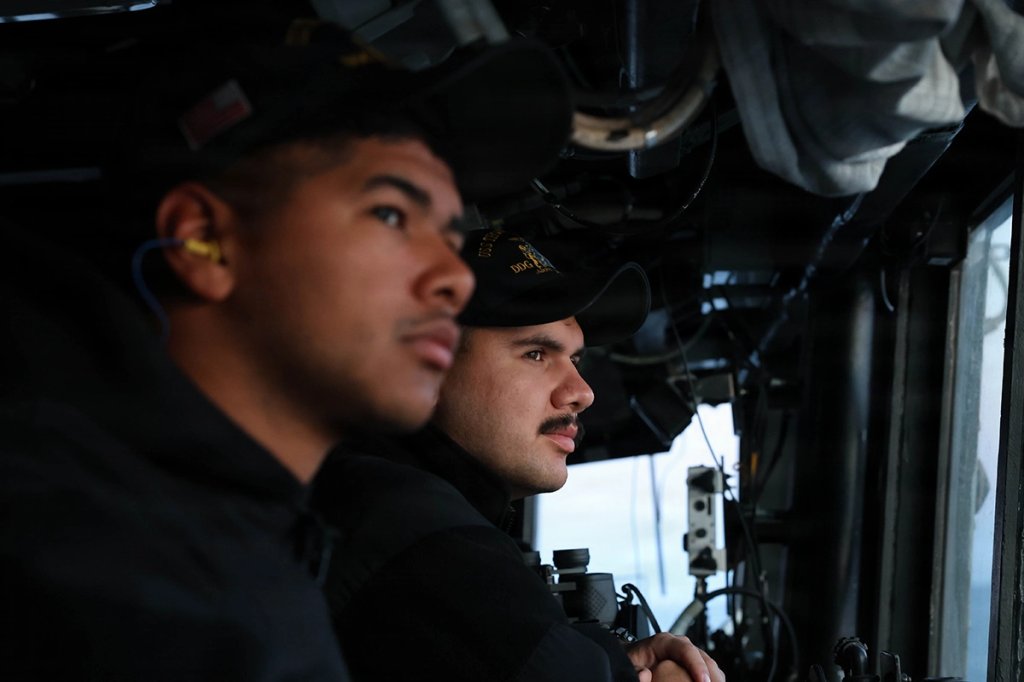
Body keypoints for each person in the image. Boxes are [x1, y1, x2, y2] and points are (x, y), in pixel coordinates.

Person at [0, 3, 572, 679]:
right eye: (391, 214)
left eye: (449, 236)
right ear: (201, 242)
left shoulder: (228, 531)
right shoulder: (100, 578)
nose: (452, 277)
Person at [312, 229, 725, 682]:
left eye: (576, 361)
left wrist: (612, 658)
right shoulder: (420, 534)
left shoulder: (374, 496)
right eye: (535, 354)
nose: (582, 393)